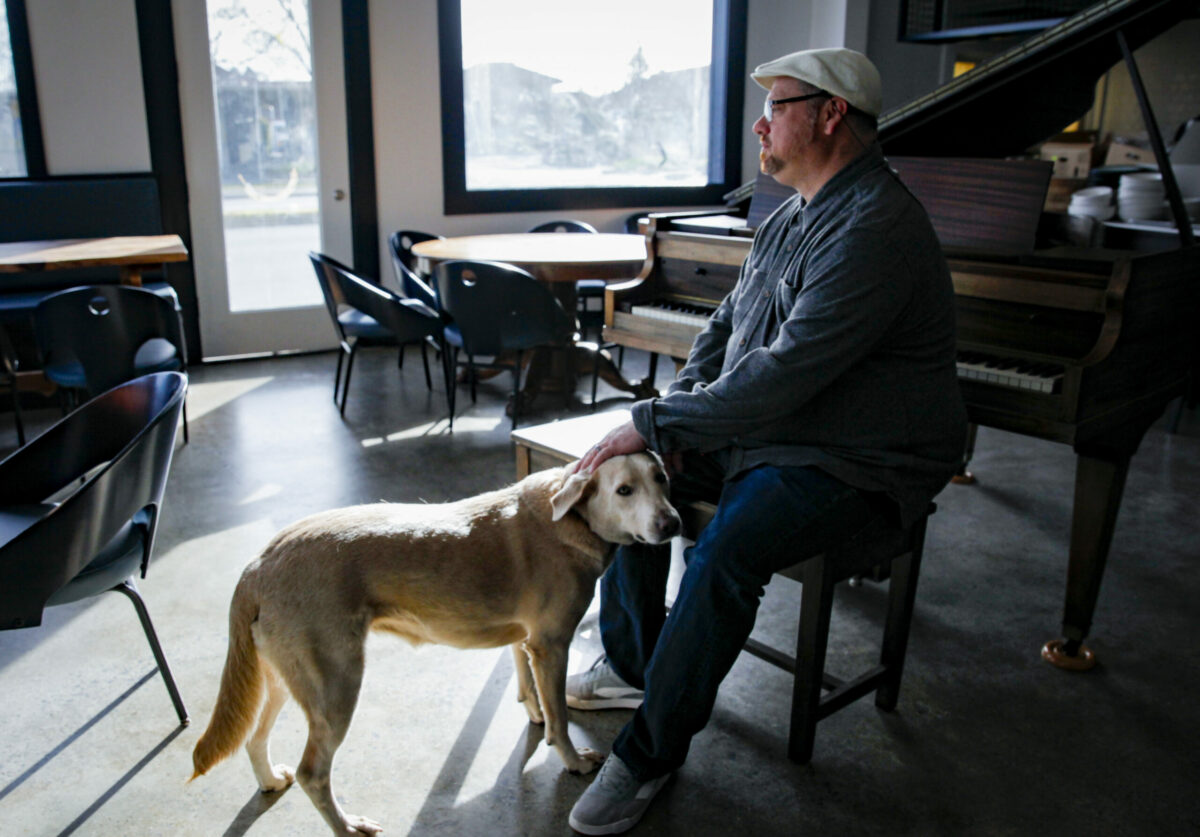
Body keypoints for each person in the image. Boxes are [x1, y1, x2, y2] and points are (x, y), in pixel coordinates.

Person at [564, 47, 968, 835]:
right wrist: (665, 420)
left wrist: (658, 419)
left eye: (777, 105)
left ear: (829, 115)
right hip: (781, 430)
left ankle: (649, 754)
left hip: (857, 457)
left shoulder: (878, 226)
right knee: (632, 473)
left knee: (724, 554)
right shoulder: (791, 213)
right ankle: (636, 664)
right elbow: (726, 331)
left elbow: (786, 373)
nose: (760, 121)